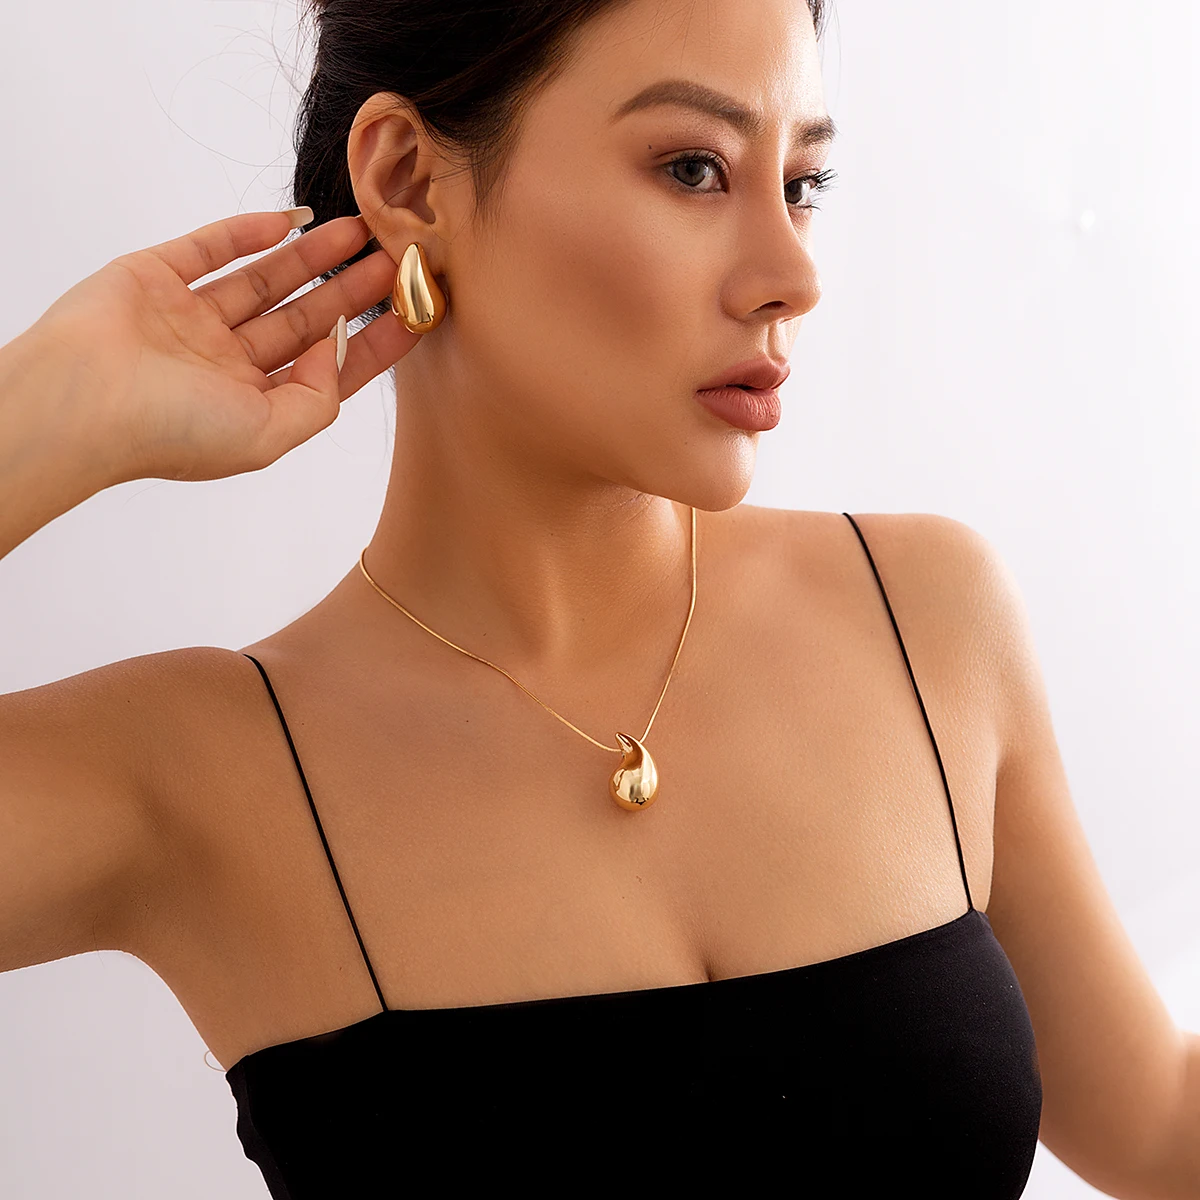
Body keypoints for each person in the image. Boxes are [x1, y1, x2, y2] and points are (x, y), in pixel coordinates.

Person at [1, 0, 1195, 1196]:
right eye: (694, 169)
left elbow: (1157, 1133)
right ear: (408, 179)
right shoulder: (197, 772)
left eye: (803, 184)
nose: (793, 277)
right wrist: (39, 420)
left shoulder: (922, 618)